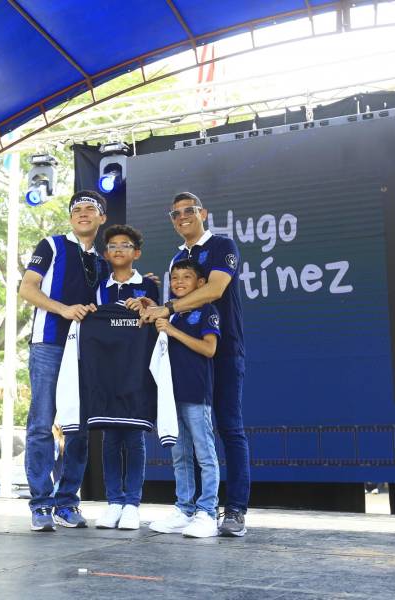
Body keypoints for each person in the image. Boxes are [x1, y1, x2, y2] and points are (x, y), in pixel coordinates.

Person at [140, 191, 249, 537]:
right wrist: (152, 305)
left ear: (203, 213)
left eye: (189, 210)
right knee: (185, 438)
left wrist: (168, 308)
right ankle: (190, 509)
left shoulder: (222, 245)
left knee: (229, 428)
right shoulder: (177, 258)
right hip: (185, 358)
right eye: (175, 214)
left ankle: (234, 510)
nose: (182, 217)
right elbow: (175, 306)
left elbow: (214, 290)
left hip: (223, 349)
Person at [18, 190, 108, 532]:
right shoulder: (52, 245)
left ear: (101, 218)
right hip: (48, 344)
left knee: (79, 429)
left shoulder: (101, 261)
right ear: (71, 218)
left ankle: (67, 502)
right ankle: (41, 504)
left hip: (84, 351)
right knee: (41, 425)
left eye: (90, 209)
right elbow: (27, 288)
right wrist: (64, 310)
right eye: (77, 209)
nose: (83, 213)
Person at [148, 260, 221, 538]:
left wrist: (172, 331)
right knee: (180, 455)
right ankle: (184, 510)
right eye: (175, 277)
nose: (179, 282)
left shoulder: (207, 310)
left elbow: (209, 349)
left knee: (204, 454)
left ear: (200, 283)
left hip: (195, 394)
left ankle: (208, 512)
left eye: (186, 277)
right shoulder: (172, 313)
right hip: (171, 396)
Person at [94, 224, 159, 530]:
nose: (118, 249)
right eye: (113, 246)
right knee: (110, 438)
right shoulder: (98, 287)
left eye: (125, 245)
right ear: (106, 254)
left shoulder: (149, 286)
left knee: (134, 437)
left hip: (137, 370)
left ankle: (132, 504)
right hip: (106, 371)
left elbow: (157, 318)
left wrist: (146, 306)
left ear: (137, 253)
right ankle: (114, 503)